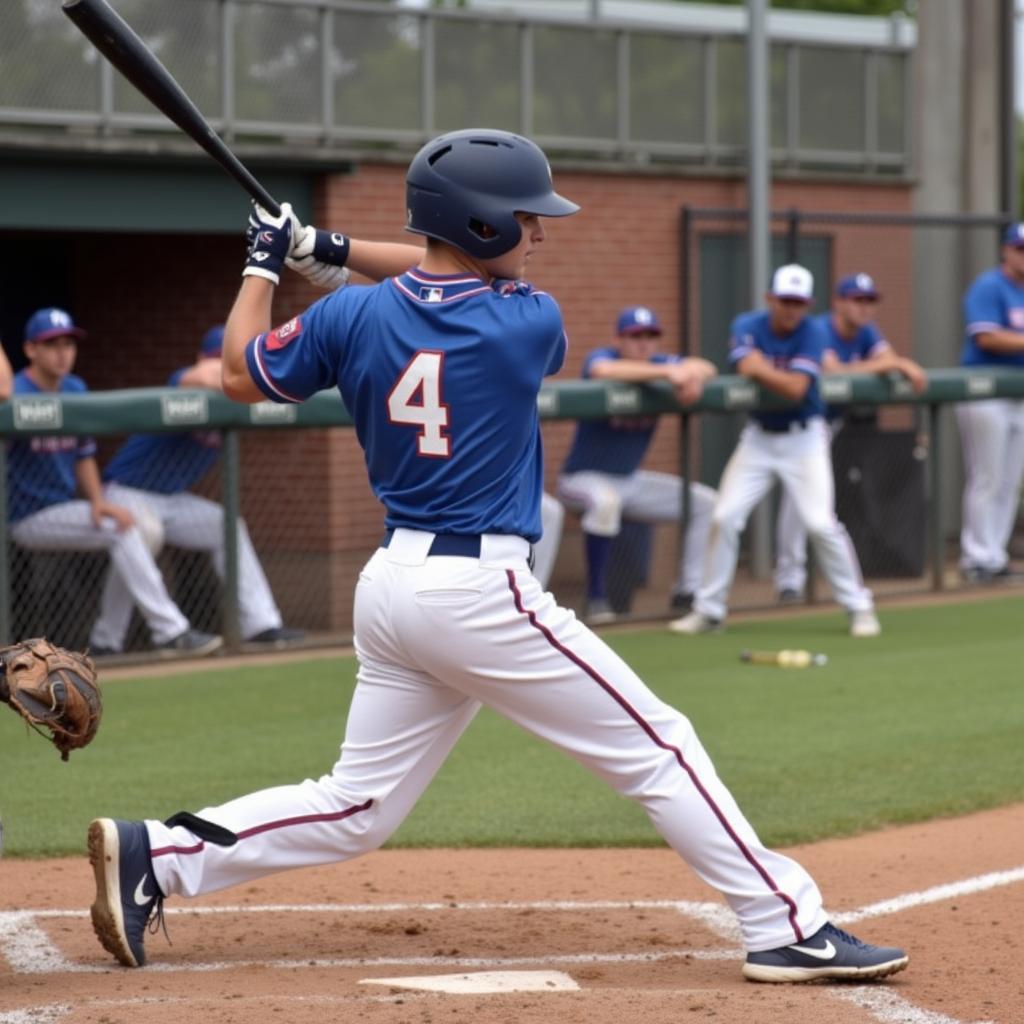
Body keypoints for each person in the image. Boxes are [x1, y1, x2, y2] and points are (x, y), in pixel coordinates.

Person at [85, 130, 906, 983]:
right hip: (478, 591)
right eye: (524, 218)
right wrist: (327, 247)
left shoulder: (348, 314)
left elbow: (237, 373)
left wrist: (269, 262)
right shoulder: (528, 320)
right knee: (661, 749)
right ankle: (787, 924)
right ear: (478, 226)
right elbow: (429, 280)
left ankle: (159, 856)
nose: (539, 233)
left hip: (393, 586)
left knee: (355, 806)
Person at [670, 265, 881, 638]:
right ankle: (709, 610)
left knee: (820, 523)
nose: (791, 309)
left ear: (808, 304)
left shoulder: (814, 331)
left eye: (798, 302)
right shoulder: (748, 324)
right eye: (785, 300)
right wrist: (759, 370)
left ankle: (859, 606)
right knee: (725, 515)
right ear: (770, 298)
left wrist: (759, 369)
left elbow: (797, 388)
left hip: (804, 438)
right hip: (759, 437)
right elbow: (746, 364)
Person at [6, 308, 222, 656]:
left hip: (63, 509)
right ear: (31, 350)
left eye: (68, 344)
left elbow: (83, 455)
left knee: (124, 525)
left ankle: (108, 641)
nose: (63, 352)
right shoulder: (14, 391)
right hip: (25, 516)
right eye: (52, 345)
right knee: (122, 530)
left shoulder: (75, 389)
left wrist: (97, 501)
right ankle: (169, 631)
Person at [89, 326, 303, 654]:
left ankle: (261, 623)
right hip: (127, 490)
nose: (226, 367)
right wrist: (241, 374)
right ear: (203, 357)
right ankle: (127, 637)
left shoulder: (243, 390)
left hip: (172, 498)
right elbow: (200, 377)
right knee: (142, 533)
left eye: (233, 360)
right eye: (220, 359)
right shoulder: (184, 378)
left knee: (227, 524)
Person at [556, 305, 717, 624]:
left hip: (629, 480)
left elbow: (706, 365)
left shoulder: (659, 364)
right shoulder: (603, 356)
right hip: (581, 478)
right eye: (635, 336)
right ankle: (597, 599)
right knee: (605, 502)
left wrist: (691, 374)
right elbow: (603, 371)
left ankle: (688, 591)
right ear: (619, 339)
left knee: (706, 503)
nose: (644, 343)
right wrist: (670, 373)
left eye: (650, 336)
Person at [773, 272, 927, 602]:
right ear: (838, 303)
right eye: (857, 300)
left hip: (831, 427)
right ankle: (790, 579)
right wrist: (891, 364)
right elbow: (834, 372)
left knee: (816, 511)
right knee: (794, 506)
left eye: (869, 300)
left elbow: (886, 358)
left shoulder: (867, 331)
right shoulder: (820, 329)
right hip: (794, 422)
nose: (864, 307)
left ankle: (809, 581)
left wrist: (891, 362)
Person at [956, 223, 1024, 583]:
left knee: (1010, 482)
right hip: (985, 393)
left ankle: (995, 556)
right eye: (1020, 249)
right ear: (1006, 251)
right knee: (987, 478)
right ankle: (975, 558)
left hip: (1018, 397)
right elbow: (985, 336)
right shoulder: (989, 285)